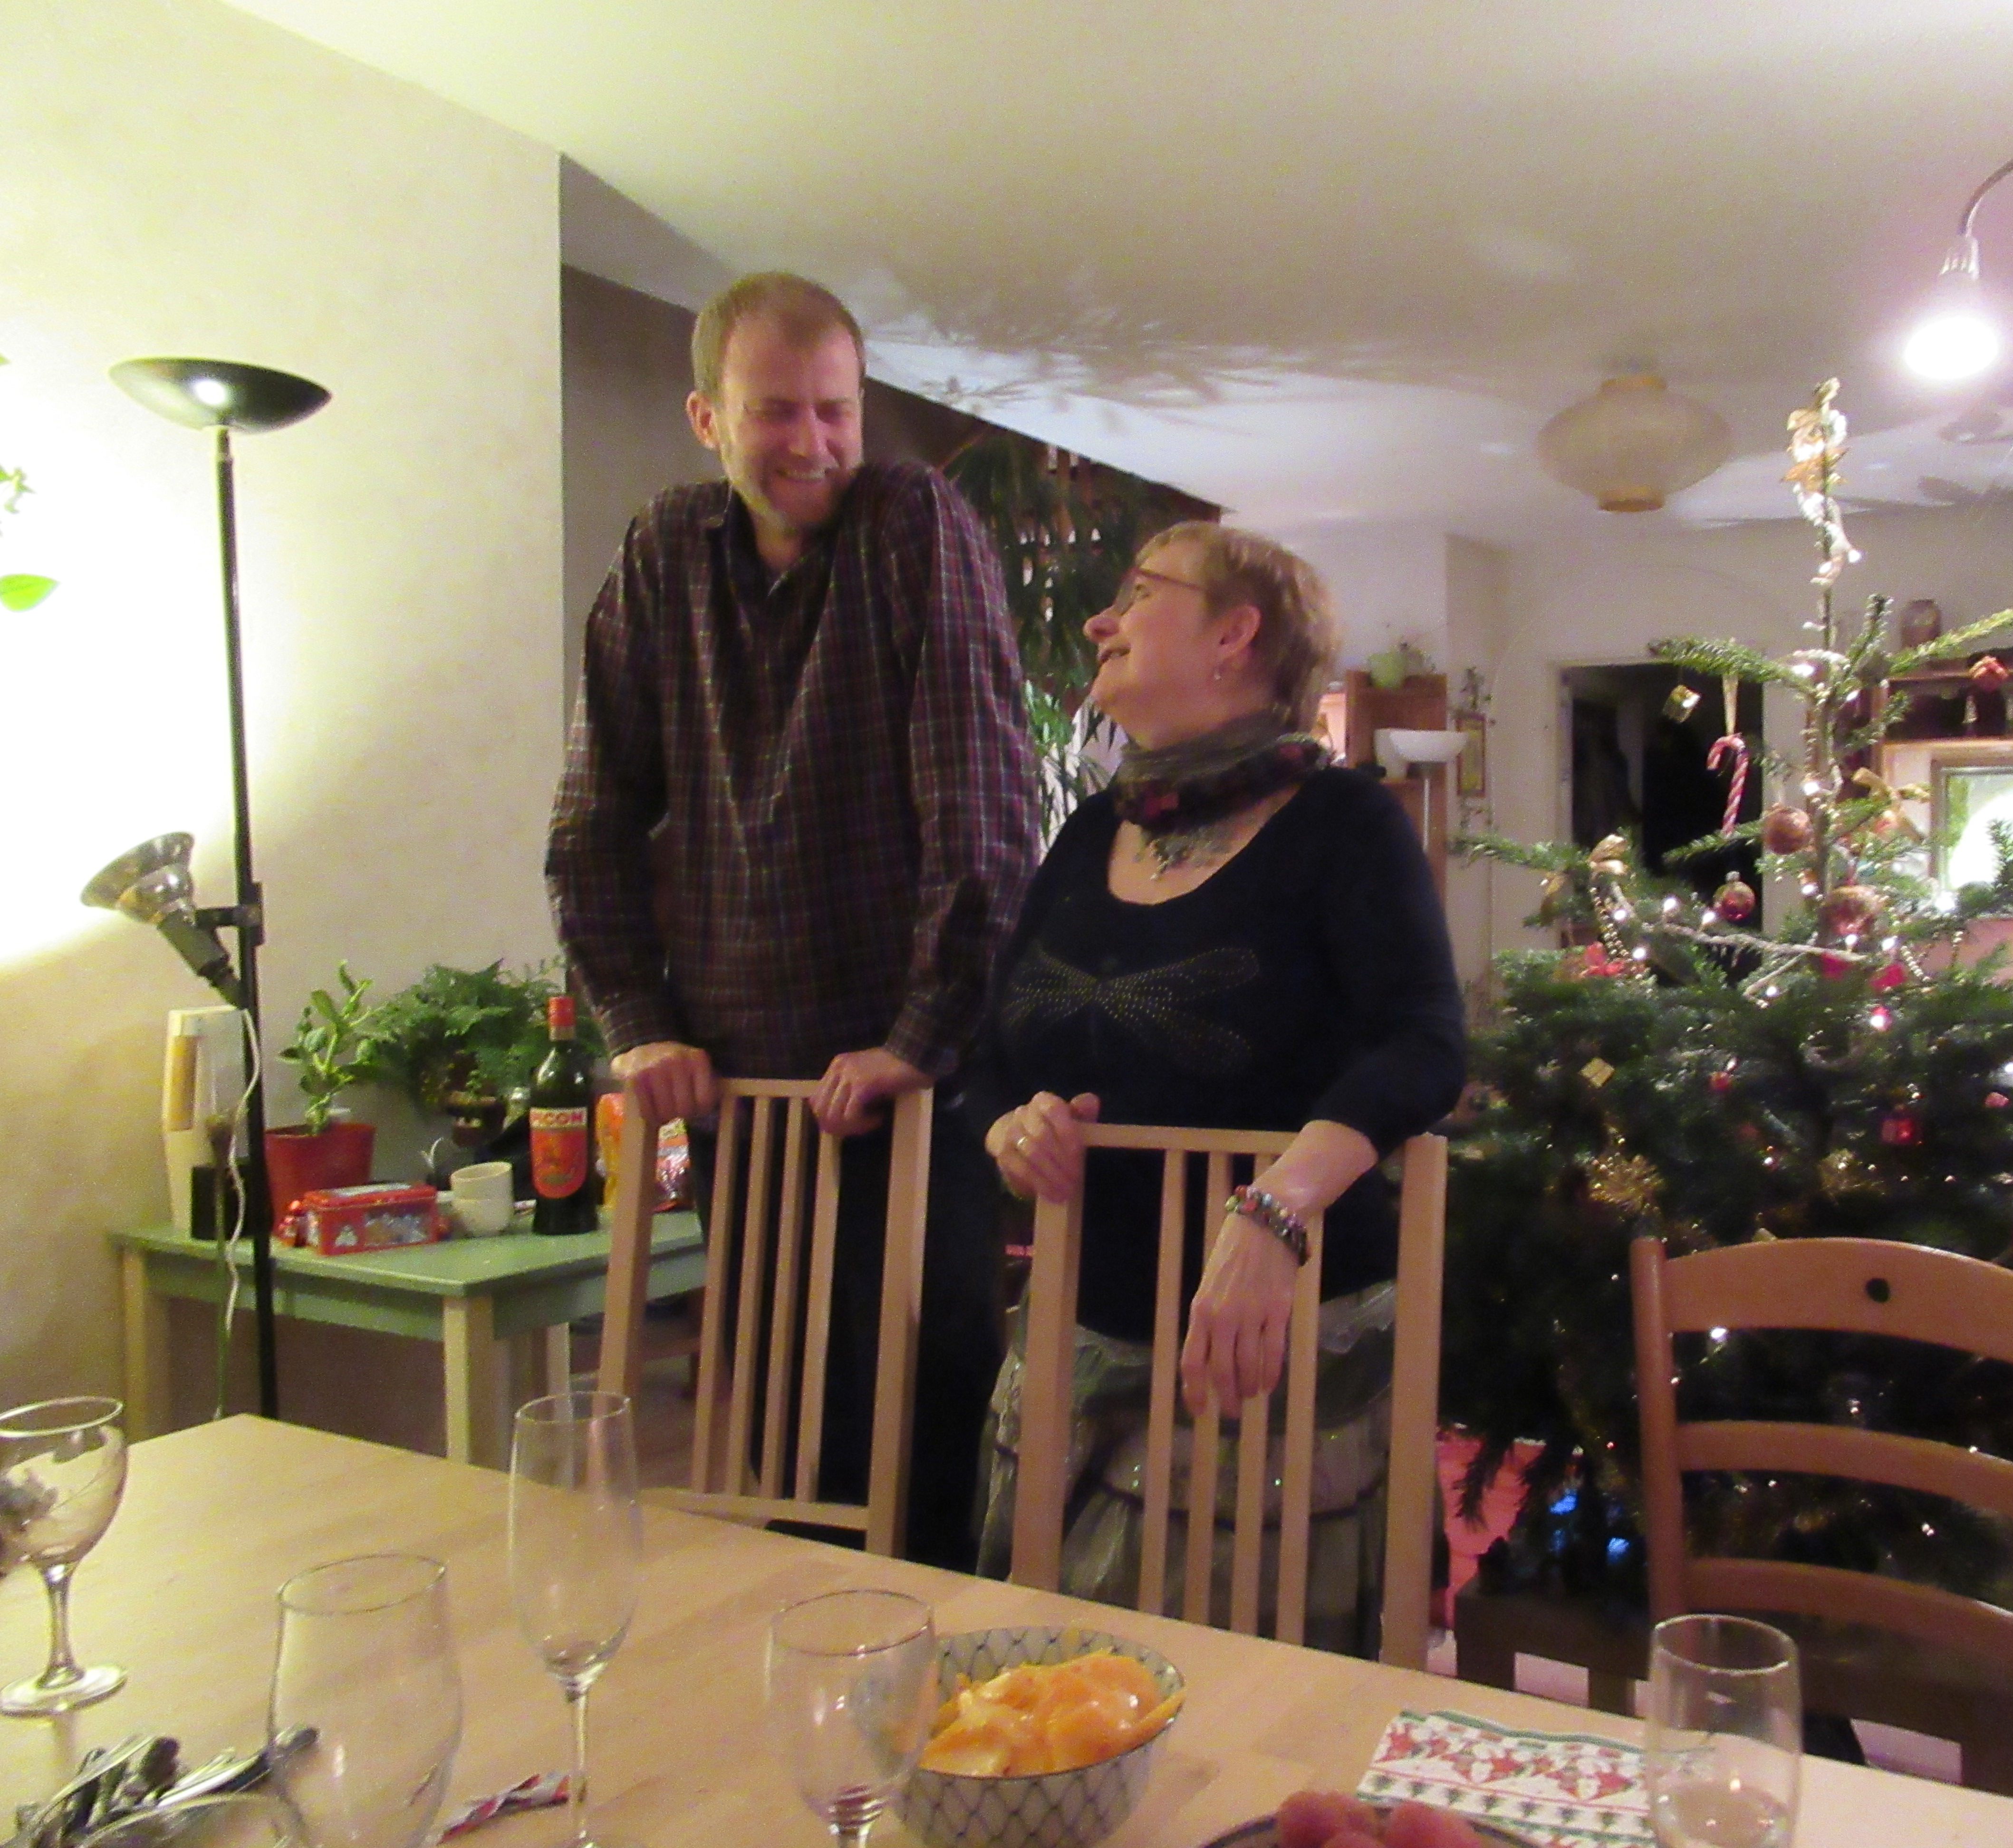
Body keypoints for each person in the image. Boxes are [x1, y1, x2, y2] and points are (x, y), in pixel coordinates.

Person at [546, 271, 1039, 1569]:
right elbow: (592, 822)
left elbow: (982, 803)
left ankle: (944, 1683)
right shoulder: (662, 555)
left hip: (912, 1087)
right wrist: (638, 1022)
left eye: (837, 409)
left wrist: (920, 1036)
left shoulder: (914, 523)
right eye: (777, 412)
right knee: (787, 1438)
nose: (813, 442)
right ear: (706, 418)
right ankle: (811, 1676)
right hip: (742, 1096)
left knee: (927, 1440)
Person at [969, 521, 1465, 1653]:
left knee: (1223, 1700)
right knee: (1050, 1681)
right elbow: (994, 1051)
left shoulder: (1346, 824)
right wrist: (1011, 1126)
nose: (1101, 620)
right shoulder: (1091, 829)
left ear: (1236, 636)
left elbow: (1425, 1045)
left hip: (1264, 1350)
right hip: (1073, 1340)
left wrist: (1275, 1211)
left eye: (1140, 593)